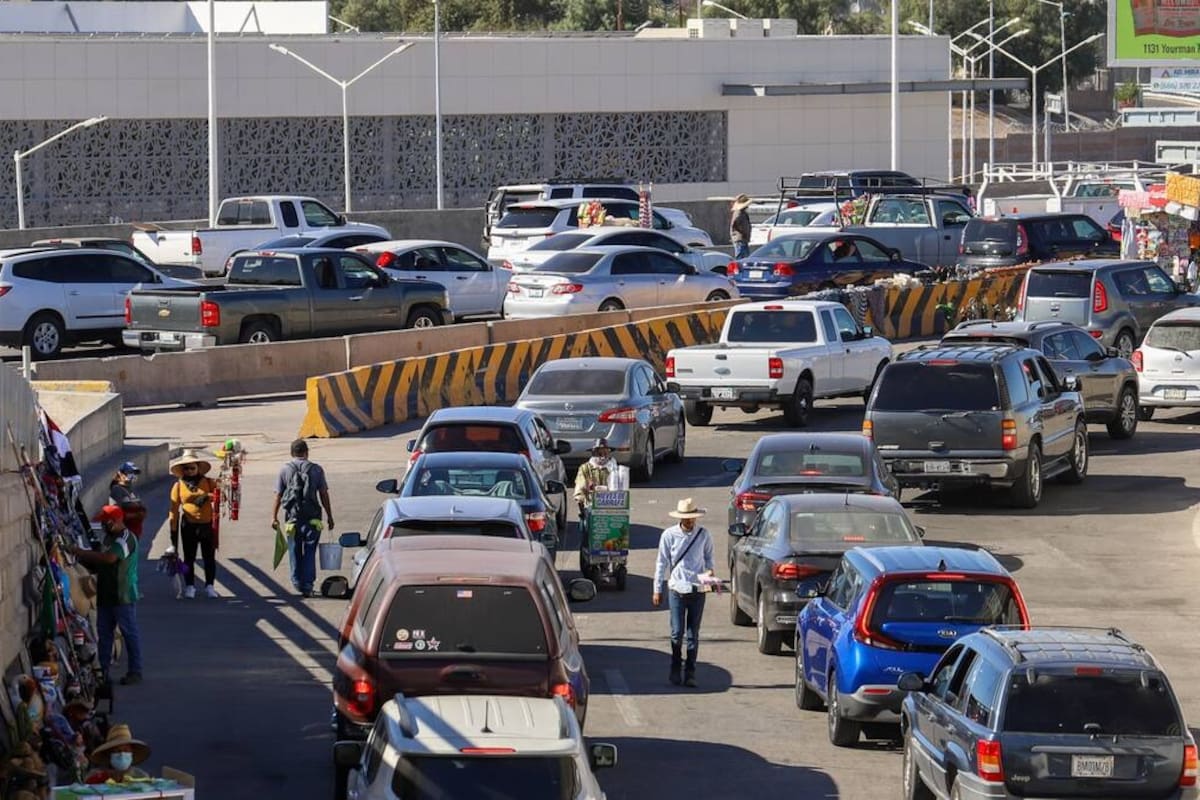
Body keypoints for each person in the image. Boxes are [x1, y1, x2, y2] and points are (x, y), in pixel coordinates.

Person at [71, 506, 143, 686]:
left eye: (106, 521)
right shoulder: (110, 537)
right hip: (106, 593)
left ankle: (135, 671)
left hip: (122, 594)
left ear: (117, 521)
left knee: (129, 633)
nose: (103, 525)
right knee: (104, 635)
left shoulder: (126, 538)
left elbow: (109, 558)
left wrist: (80, 552)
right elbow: (102, 560)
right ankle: (103, 673)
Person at [652, 498, 715, 688]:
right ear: (680, 519)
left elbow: (709, 559)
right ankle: (674, 668)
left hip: (697, 590)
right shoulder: (669, 535)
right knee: (676, 633)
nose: (690, 522)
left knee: (693, 635)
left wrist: (710, 575)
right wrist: (657, 589)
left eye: (692, 518)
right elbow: (661, 563)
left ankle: (690, 673)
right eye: (686, 519)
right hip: (676, 590)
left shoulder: (704, 535)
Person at [272, 439, 334, 597]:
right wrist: (329, 516)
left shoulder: (284, 470)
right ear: (307, 452)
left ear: (292, 453)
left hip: (292, 520)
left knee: (294, 550)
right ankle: (307, 584)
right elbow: (323, 494)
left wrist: (273, 517)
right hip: (313, 519)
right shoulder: (316, 470)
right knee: (310, 551)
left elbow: (278, 495)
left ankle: (297, 581)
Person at [168, 450, 220, 599]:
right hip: (189, 525)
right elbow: (173, 510)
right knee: (188, 557)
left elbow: (222, 494)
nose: (190, 471)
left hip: (207, 525)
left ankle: (210, 586)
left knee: (209, 557)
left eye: (192, 468)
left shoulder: (209, 482)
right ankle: (189, 586)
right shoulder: (178, 486)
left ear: (198, 468)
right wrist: (173, 531)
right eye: (186, 468)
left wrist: (208, 496)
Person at [84, 724, 151, 784]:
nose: (122, 754)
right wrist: (105, 776)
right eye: (117, 751)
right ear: (109, 754)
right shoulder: (95, 775)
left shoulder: (141, 776)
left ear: (132, 753)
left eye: (126, 750)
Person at [573, 438, 615, 519]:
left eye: (605, 453)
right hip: (591, 506)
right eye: (599, 453)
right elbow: (580, 487)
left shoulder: (615, 468)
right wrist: (581, 504)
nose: (602, 456)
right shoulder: (585, 468)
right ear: (593, 453)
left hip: (612, 505)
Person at [108, 462, 146, 540]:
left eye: (135, 473)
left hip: (135, 532)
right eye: (130, 473)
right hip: (124, 533)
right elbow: (115, 513)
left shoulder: (131, 489)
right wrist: (135, 515)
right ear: (121, 474)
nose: (133, 475)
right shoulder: (117, 489)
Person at [730, 194, 752, 260]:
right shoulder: (739, 213)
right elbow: (734, 224)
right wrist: (742, 232)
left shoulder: (742, 213)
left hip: (743, 239)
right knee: (740, 257)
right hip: (740, 239)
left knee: (745, 257)